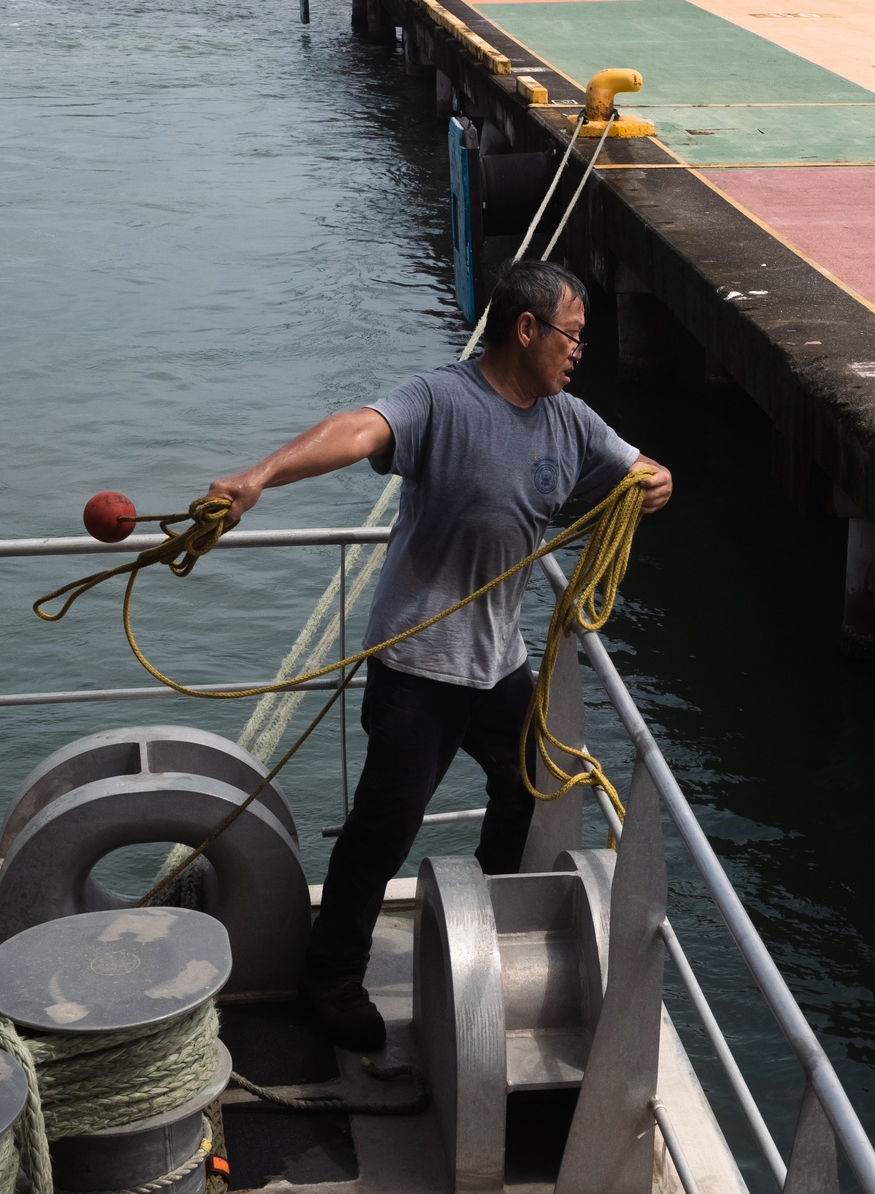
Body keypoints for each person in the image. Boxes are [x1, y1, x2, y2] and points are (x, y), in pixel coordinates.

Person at [208, 260, 672, 1050]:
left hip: (498, 664)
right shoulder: (441, 399)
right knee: (385, 827)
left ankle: (480, 920)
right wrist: (260, 477)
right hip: (418, 664)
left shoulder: (569, 419)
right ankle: (331, 974)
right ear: (525, 330)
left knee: (525, 789)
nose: (578, 352)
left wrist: (656, 481)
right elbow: (357, 429)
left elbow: (638, 468)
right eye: (571, 336)